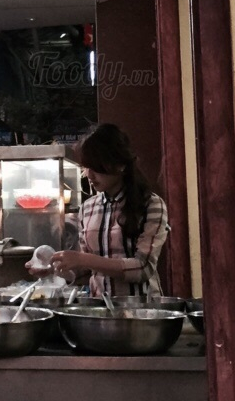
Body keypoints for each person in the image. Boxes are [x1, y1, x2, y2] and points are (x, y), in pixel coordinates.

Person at [47, 123, 170, 298]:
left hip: (143, 309)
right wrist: (54, 270)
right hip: (100, 309)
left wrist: (83, 259)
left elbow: (143, 268)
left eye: (96, 167)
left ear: (120, 165)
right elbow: (86, 271)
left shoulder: (151, 204)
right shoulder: (88, 208)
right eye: (86, 167)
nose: (88, 175)